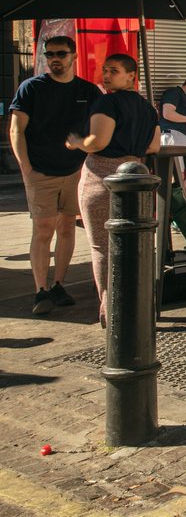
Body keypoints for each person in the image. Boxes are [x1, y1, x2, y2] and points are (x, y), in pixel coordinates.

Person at [9, 35, 101, 316]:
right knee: (44, 228)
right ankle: (41, 289)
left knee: (66, 227)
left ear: (73, 56)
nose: (54, 59)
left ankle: (59, 284)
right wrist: (25, 167)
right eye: (49, 55)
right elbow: (16, 130)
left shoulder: (88, 90)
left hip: (75, 170)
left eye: (60, 54)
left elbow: (97, 130)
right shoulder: (32, 88)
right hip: (40, 170)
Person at [65, 54, 160, 327]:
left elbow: (98, 141)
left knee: (103, 248)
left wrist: (76, 142)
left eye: (114, 71)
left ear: (131, 76)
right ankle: (139, 308)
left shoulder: (106, 102)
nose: (106, 76)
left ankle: (113, 312)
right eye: (105, 70)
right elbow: (154, 147)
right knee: (134, 246)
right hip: (138, 175)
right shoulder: (147, 108)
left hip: (103, 176)